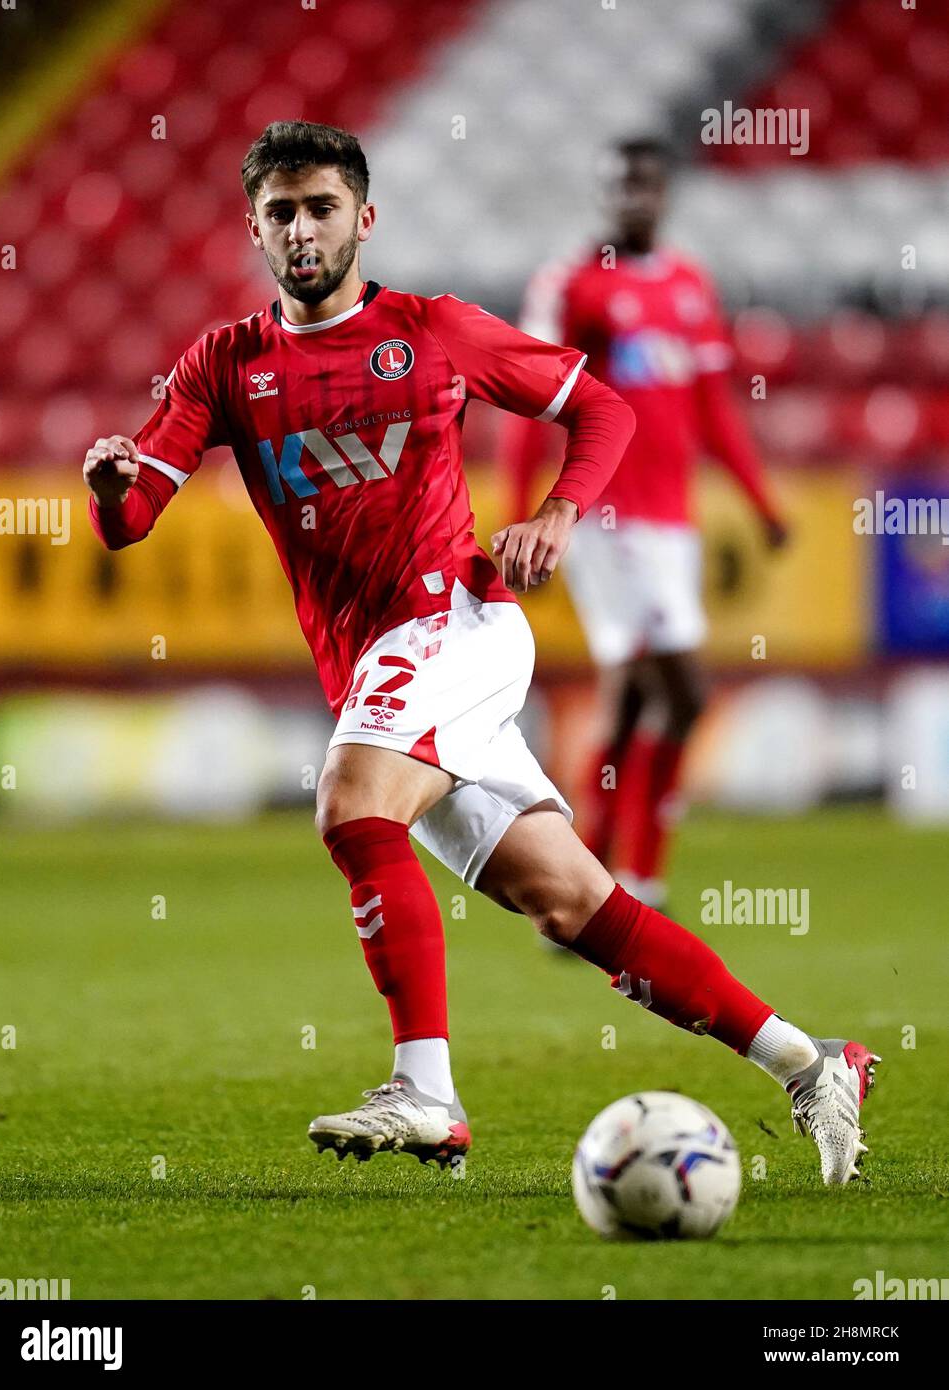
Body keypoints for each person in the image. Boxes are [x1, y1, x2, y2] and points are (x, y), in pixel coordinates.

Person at [83, 120, 877, 1185]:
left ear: (364, 218)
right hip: (375, 668)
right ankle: (811, 1061)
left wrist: (558, 513)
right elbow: (134, 518)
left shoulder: (436, 330)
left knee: (355, 805)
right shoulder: (226, 364)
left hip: (455, 623)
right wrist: (108, 484)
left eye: (322, 208)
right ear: (255, 230)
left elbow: (603, 407)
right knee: (571, 903)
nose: (302, 229)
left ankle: (429, 1093)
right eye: (281, 212)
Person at [504, 138, 788, 910]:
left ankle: (589, 878)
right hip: (607, 517)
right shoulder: (572, 284)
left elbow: (712, 408)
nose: (633, 199)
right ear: (603, 195)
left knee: (631, 700)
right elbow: (532, 401)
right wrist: (523, 514)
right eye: (618, 186)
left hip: (673, 521)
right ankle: (644, 874)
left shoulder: (689, 283)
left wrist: (760, 502)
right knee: (687, 692)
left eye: (645, 185)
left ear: (663, 192)